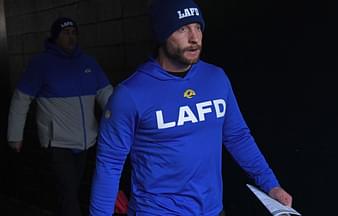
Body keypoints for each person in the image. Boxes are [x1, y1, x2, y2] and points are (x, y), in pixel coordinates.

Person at [89, 0, 292, 215]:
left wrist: (271, 184)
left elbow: (237, 136)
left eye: (198, 27)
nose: (194, 38)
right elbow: (109, 164)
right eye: (182, 28)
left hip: (212, 210)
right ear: (162, 34)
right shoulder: (130, 94)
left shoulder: (216, 78)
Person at [7, 17, 113, 216]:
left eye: (74, 32)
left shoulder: (88, 63)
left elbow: (108, 96)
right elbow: (21, 99)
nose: (71, 37)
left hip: (86, 141)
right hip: (57, 143)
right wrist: (15, 135)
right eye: (65, 33)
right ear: (55, 37)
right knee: (68, 193)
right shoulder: (41, 64)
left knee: (72, 191)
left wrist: (125, 124)